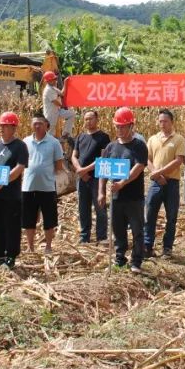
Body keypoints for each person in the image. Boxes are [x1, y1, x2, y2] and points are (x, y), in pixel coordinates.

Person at [98, 107, 149, 272]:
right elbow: (103, 172)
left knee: (137, 230)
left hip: (134, 197)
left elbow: (139, 167)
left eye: (123, 126)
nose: (119, 129)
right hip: (116, 197)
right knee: (118, 230)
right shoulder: (110, 147)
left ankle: (136, 261)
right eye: (117, 126)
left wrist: (122, 183)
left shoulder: (139, 146)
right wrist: (101, 192)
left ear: (131, 126)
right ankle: (120, 258)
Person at [0, 112, 29, 268]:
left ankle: (11, 255)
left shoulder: (20, 146)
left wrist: (3, 181)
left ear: (13, 128)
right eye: (0, 126)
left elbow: (19, 167)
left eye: (5, 126)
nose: (1, 129)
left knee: (11, 225)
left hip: (11, 195)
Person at [144, 109, 185, 258]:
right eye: (160, 121)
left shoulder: (179, 139)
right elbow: (147, 159)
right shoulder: (152, 139)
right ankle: (147, 246)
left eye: (165, 121)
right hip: (156, 183)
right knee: (150, 214)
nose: (162, 124)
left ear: (171, 122)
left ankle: (167, 248)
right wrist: (155, 173)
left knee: (171, 216)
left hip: (172, 183)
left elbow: (178, 160)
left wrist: (159, 172)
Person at [22, 115, 66, 255]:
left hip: (47, 187)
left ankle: (48, 246)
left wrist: (43, 172)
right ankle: (30, 246)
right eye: (34, 123)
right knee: (29, 219)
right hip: (28, 186)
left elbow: (59, 165)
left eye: (40, 123)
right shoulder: (26, 142)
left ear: (46, 125)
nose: (37, 126)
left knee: (49, 219)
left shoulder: (54, 142)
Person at [72, 110, 111, 244]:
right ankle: (84, 236)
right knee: (83, 208)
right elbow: (74, 155)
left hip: (96, 178)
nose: (88, 122)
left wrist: (85, 170)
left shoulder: (103, 137)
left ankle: (101, 237)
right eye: (86, 119)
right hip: (82, 178)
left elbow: (103, 157)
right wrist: (79, 170)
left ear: (97, 119)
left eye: (91, 119)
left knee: (100, 207)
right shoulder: (80, 137)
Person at [42, 70, 76, 138]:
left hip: (57, 110)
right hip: (50, 113)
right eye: (52, 79)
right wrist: (63, 106)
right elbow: (55, 102)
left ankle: (66, 133)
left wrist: (65, 83)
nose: (54, 80)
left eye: (55, 79)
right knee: (50, 132)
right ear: (48, 81)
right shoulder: (48, 90)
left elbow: (62, 93)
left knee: (71, 114)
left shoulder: (53, 88)